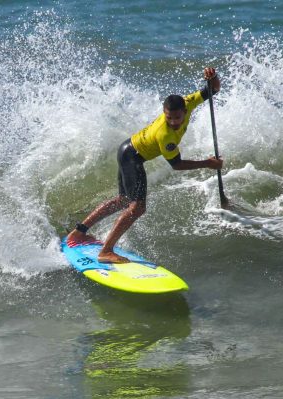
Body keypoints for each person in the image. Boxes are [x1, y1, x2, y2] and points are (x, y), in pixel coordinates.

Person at [67, 67, 223, 263]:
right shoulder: (165, 135)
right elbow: (177, 165)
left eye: (177, 117)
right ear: (164, 113)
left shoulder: (189, 102)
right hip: (132, 156)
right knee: (137, 207)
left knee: (123, 200)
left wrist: (213, 77)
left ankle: (78, 233)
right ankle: (106, 251)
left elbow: (214, 89)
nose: (174, 122)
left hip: (127, 150)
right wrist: (208, 163)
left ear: (185, 110)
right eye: (169, 118)